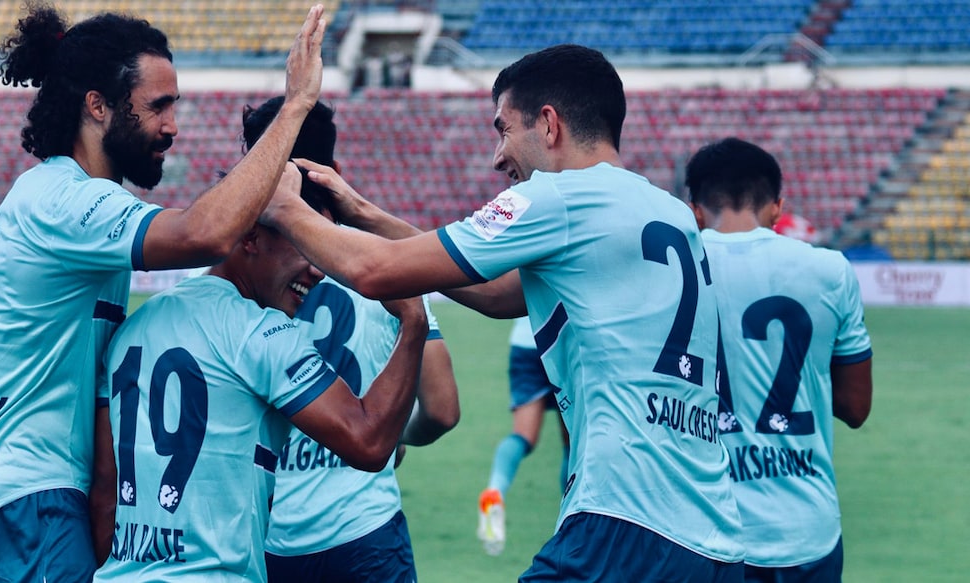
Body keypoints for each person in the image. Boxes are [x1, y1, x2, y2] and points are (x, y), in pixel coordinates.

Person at [263, 44, 744, 581]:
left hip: (624, 519)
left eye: (504, 129)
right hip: (712, 532)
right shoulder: (669, 212)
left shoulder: (557, 197)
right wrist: (364, 213)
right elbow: (497, 293)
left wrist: (282, 204)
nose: (497, 156)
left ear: (549, 125)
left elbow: (374, 273)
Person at [0, 4, 327, 581]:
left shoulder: (48, 195)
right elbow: (204, 234)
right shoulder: (67, 203)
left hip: (7, 503)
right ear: (98, 106)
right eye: (157, 106)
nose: (173, 126)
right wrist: (294, 108)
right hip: (27, 506)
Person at [93, 166, 427, 581]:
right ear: (250, 237)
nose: (319, 270)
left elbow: (105, 496)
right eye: (306, 243)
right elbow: (369, 441)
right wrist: (414, 320)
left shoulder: (132, 331)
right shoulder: (261, 333)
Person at [236, 96, 459, 583]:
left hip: (264, 536)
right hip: (365, 532)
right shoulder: (389, 264)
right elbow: (442, 409)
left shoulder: (234, 265)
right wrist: (387, 429)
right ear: (335, 172)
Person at [685, 137, 873, 582]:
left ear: (695, 211)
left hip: (706, 529)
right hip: (807, 531)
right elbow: (855, 407)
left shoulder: (675, 269)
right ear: (777, 208)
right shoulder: (831, 270)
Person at [477, 315, 568, 557]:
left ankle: (494, 491)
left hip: (525, 342)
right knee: (572, 442)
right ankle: (570, 519)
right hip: (565, 345)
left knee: (523, 434)